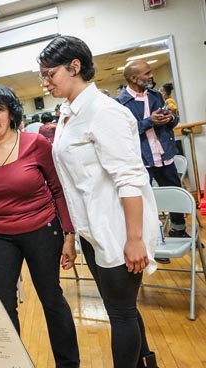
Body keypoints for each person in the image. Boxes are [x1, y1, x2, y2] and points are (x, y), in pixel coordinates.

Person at [39, 35, 159, 368]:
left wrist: (134, 240)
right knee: (122, 308)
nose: (45, 82)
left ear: (74, 67)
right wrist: (73, 236)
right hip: (93, 230)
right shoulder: (68, 112)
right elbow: (75, 184)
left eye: (50, 74)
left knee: (120, 313)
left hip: (119, 230)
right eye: (42, 75)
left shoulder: (104, 112)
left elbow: (131, 180)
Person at [0, 85, 79, 368]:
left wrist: (69, 235)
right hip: (1, 236)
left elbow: (58, 189)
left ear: (11, 113)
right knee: (3, 305)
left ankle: (68, 364)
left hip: (42, 228)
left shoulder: (35, 144)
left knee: (51, 299)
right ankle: (13, 363)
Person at [116, 60, 187, 245]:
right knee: (145, 204)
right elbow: (124, 132)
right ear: (133, 78)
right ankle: (154, 242)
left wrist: (170, 118)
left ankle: (179, 231)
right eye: (147, 73)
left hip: (165, 155)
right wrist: (150, 121)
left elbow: (172, 122)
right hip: (142, 160)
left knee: (175, 195)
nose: (151, 76)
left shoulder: (156, 95)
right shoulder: (120, 104)